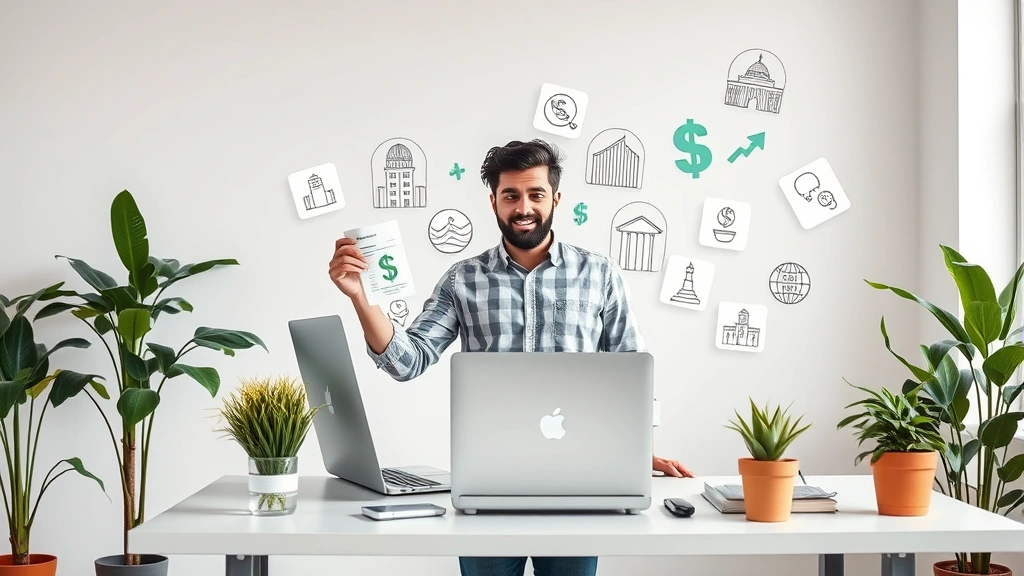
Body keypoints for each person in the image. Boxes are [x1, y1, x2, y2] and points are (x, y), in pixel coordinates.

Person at [329, 138, 693, 576]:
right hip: (488, 486)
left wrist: (638, 451)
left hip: (580, 484)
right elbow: (409, 361)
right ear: (494, 202)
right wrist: (361, 298)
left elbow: (630, 368)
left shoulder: (599, 273)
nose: (524, 208)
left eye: (536, 194)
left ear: (555, 198)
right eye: (511, 195)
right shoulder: (463, 279)